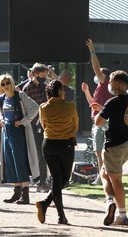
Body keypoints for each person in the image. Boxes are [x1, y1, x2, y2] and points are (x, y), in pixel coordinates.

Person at [90, 70, 128, 226]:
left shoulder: (113, 102)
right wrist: (104, 108)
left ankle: (122, 214)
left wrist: (99, 111)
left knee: (115, 179)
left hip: (113, 145)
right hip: (127, 144)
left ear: (116, 83)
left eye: (110, 81)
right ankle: (110, 201)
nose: (109, 84)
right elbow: (119, 117)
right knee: (104, 173)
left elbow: (98, 122)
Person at [36, 80, 78, 225]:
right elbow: (76, 125)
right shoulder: (70, 106)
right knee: (63, 180)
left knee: (56, 179)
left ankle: (50, 207)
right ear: (60, 91)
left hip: (48, 144)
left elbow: (44, 124)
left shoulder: (43, 107)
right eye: (63, 90)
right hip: (65, 144)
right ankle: (57, 213)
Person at [0, 74, 40, 205]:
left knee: (20, 161)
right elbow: (0, 113)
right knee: (10, 160)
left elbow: (35, 107)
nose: (6, 86)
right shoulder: (1, 99)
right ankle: (16, 191)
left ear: (11, 82)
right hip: (7, 132)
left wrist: (24, 121)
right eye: (3, 84)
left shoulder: (20, 95)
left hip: (19, 133)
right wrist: (1, 120)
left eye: (7, 82)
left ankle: (25, 193)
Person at [82, 39, 114, 185]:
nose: (96, 75)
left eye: (99, 74)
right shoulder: (98, 89)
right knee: (98, 151)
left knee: (105, 151)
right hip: (96, 122)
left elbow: (96, 68)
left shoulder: (105, 82)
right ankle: (101, 177)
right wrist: (87, 92)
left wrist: (92, 51)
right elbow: (92, 104)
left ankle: (107, 176)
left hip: (104, 122)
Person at [22, 63, 50, 192]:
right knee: (38, 153)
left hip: (44, 123)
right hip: (33, 124)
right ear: (35, 74)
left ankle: (43, 180)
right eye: (42, 75)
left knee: (44, 152)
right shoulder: (28, 88)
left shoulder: (45, 87)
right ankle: (40, 182)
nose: (44, 77)